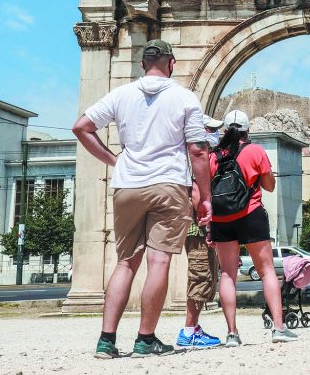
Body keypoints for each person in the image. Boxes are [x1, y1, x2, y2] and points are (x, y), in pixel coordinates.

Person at [72, 39, 212, 359]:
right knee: (159, 261)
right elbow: (198, 150)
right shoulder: (184, 97)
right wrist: (203, 195)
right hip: (169, 185)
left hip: (127, 185)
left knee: (126, 262)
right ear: (171, 63)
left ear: (141, 64)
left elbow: (81, 127)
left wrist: (113, 160)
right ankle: (145, 339)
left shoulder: (121, 94)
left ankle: (106, 341)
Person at [208, 110, 298, 346]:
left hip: (221, 219)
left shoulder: (213, 156)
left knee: (227, 273)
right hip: (250, 214)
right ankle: (278, 327)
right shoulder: (255, 151)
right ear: (247, 131)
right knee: (267, 270)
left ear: (225, 130)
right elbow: (269, 186)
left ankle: (232, 334)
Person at [176, 178, 222, 349]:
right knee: (200, 278)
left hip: (199, 230)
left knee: (205, 278)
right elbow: (196, 192)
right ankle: (188, 333)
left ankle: (193, 327)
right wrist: (209, 228)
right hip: (199, 231)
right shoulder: (195, 164)